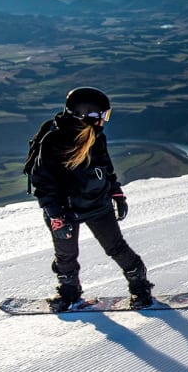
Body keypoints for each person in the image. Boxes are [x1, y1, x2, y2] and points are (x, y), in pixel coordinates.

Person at [29, 87, 154, 310]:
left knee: (116, 248)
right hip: (64, 210)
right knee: (65, 256)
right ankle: (69, 292)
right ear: (84, 115)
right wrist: (55, 214)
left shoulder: (96, 137)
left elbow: (105, 168)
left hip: (96, 204)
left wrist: (116, 193)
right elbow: (42, 183)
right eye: (102, 116)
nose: (104, 121)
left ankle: (140, 287)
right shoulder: (53, 142)